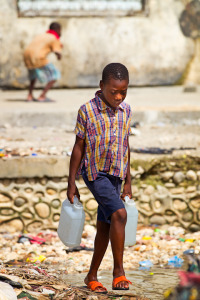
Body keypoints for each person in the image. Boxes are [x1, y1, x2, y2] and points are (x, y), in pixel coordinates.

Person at [67, 63, 133, 293]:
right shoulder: (87, 110)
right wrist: (71, 182)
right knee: (119, 214)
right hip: (95, 173)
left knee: (106, 225)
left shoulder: (126, 111)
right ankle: (119, 273)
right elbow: (78, 147)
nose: (118, 96)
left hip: (116, 173)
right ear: (102, 86)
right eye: (113, 91)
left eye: (123, 91)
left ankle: (91, 275)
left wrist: (128, 181)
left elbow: (126, 146)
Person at [23, 22, 62, 102]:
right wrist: (59, 55)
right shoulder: (54, 37)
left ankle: (29, 96)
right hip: (38, 57)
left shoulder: (42, 35)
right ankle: (42, 96)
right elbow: (57, 52)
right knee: (55, 74)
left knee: (33, 76)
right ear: (58, 30)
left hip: (27, 55)